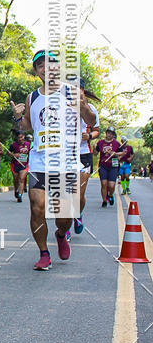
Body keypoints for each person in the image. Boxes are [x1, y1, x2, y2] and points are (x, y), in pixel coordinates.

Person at [10, 50, 96, 271]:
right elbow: (28, 126)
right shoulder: (33, 97)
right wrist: (19, 117)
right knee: (37, 208)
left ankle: (60, 234)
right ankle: (43, 253)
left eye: (50, 64)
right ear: (36, 71)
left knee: (64, 216)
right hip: (39, 162)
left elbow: (91, 120)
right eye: (40, 65)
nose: (46, 68)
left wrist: (84, 106)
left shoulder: (72, 91)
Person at [74, 78, 100, 234]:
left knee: (79, 194)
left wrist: (89, 136)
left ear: (83, 91)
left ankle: (78, 215)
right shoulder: (61, 108)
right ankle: (65, 228)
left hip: (84, 154)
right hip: (66, 155)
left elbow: (97, 130)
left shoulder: (91, 109)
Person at [95, 128, 122, 207]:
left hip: (113, 166)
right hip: (103, 165)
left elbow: (122, 152)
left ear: (113, 135)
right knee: (104, 184)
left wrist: (115, 153)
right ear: (106, 133)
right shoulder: (100, 142)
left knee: (111, 185)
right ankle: (104, 201)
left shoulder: (116, 143)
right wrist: (94, 148)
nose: (109, 135)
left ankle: (110, 195)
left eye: (111, 133)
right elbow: (95, 153)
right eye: (108, 133)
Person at [9, 130, 30, 202]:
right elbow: (8, 153)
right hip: (15, 164)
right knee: (16, 179)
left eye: (22, 137)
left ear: (24, 136)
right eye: (19, 137)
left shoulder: (28, 144)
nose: (20, 139)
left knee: (21, 179)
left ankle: (20, 195)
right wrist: (14, 155)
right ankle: (16, 190)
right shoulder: (13, 145)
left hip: (24, 165)